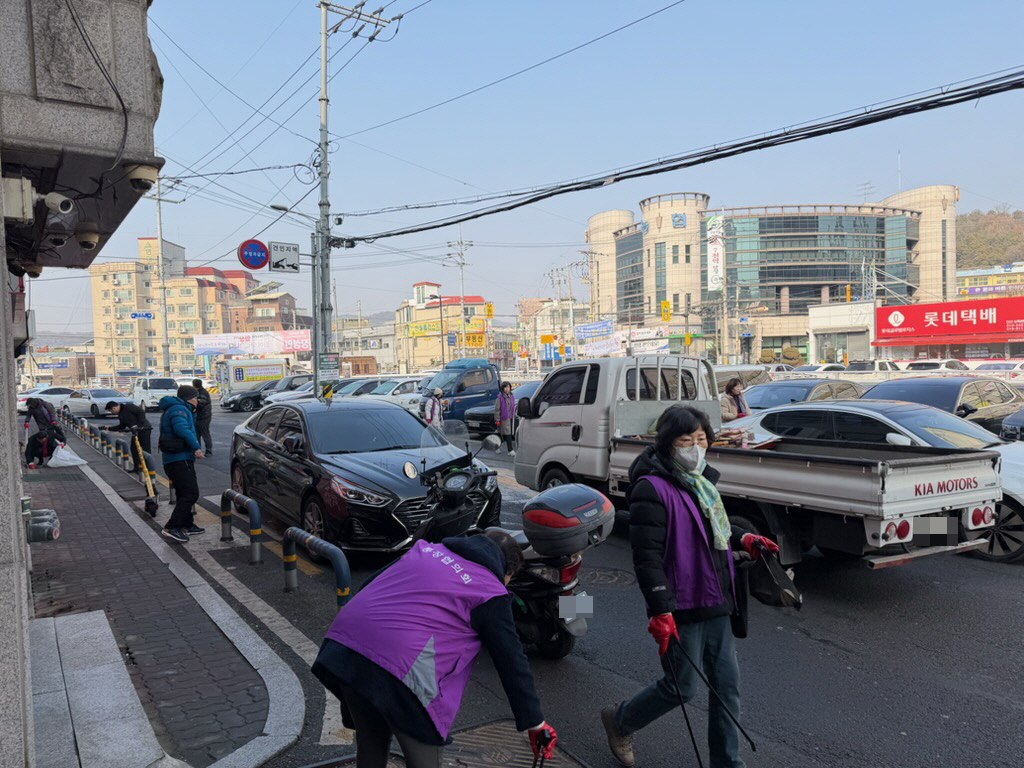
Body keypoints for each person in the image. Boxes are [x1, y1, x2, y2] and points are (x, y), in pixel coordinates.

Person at [600, 405, 777, 768]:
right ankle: (620, 720)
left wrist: (744, 539)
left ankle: (727, 762)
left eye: (701, 439)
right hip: (680, 605)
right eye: (686, 441)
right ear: (668, 444)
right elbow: (646, 557)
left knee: (727, 687)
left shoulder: (701, 481)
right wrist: (659, 610)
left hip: (717, 600)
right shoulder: (652, 487)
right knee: (681, 687)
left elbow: (714, 529)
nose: (696, 447)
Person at [311, 529, 558, 768]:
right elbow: (511, 659)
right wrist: (535, 723)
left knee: (371, 745)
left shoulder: (426, 550)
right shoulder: (489, 591)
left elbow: (370, 584)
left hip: (346, 647)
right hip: (399, 672)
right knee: (423, 760)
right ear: (508, 570)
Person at [158, 385, 205, 544]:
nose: (198, 400)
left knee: (182, 493)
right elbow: (183, 430)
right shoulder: (179, 410)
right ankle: (172, 527)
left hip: (175, 459)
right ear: (190, 398)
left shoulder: (178, 408)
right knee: (190, 493)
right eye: (196, 397)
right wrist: (196, 448)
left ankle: (186, 524)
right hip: (179, 459)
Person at [104, 401, 152, 474]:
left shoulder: (128, 407)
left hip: (144, 429)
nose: (112, 412)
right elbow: (122, 426)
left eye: (111, 410)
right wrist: (110, 428)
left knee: (145, 449)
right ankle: (137, 467)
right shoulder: (120, 414)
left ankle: (148, 468)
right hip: (135, 431)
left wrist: (139, 424)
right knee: (134, 448)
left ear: (114, 408)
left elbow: (141, 412)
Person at [494, 381, 516, 456]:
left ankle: (497, 447)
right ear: (502, 388)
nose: (507, 389)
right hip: (503, 418)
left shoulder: (511, 396)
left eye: (508, 387)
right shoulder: (500, 398)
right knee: (507, 433)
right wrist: (497, 420)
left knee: (501, 434)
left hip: (510, 417)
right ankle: (510, 450)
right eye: (505, 387)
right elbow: (497, 410)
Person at [192, 379, 213, 456]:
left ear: (194, 385)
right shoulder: (199, 392)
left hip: (204, 417)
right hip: (200, 416)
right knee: (197, 434)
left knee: (205, 434)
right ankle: (198, 450)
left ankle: (208, 450)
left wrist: (193, 405)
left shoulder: (202, 393)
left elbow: (201, 405)